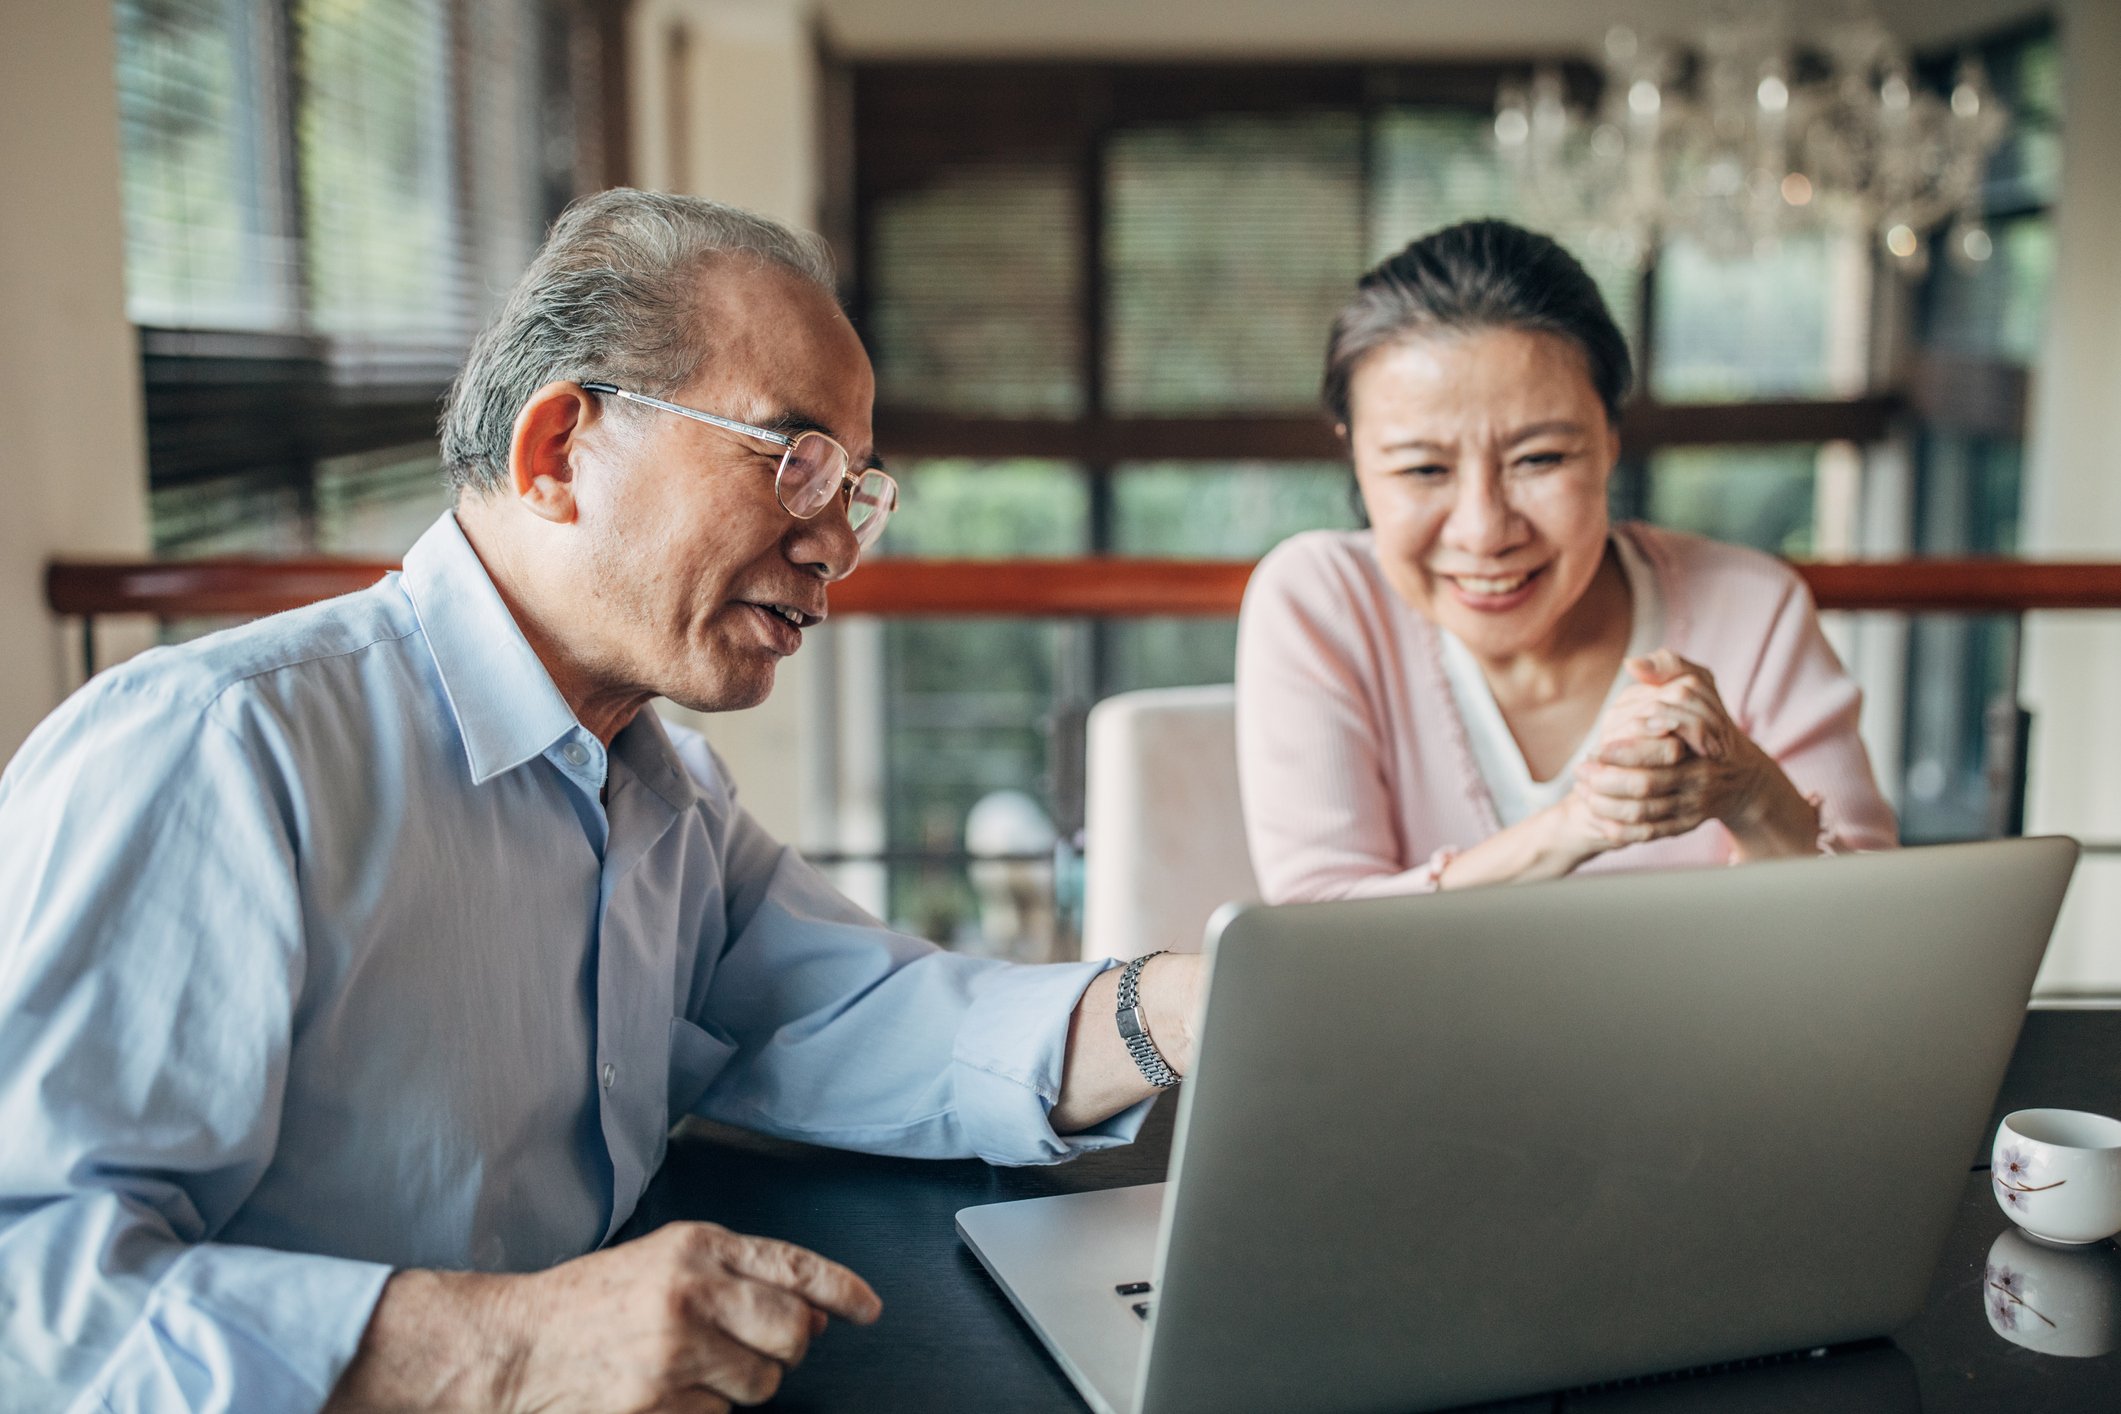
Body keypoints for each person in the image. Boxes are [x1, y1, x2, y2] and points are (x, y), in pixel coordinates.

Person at [0, 189, 1201, 1413]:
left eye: (855, 491)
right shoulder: (217, 757)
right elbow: (26, 1296)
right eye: (796, 462)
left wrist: (1194, 1003)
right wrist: (510, 1348)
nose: (837, 543)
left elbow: (868, 1011)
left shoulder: (662, 790)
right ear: (557, 450)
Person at [1236, 220, 1896, 903]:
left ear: (1610, 439)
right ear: (1354, 458)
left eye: (1539, 459)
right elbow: (1313, 935)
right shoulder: (1320, 603)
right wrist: (1574, 828)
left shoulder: (1750, 608)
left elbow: (1876, 933)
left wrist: (1751, 792)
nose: (1484, 531)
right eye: (1423, 469)